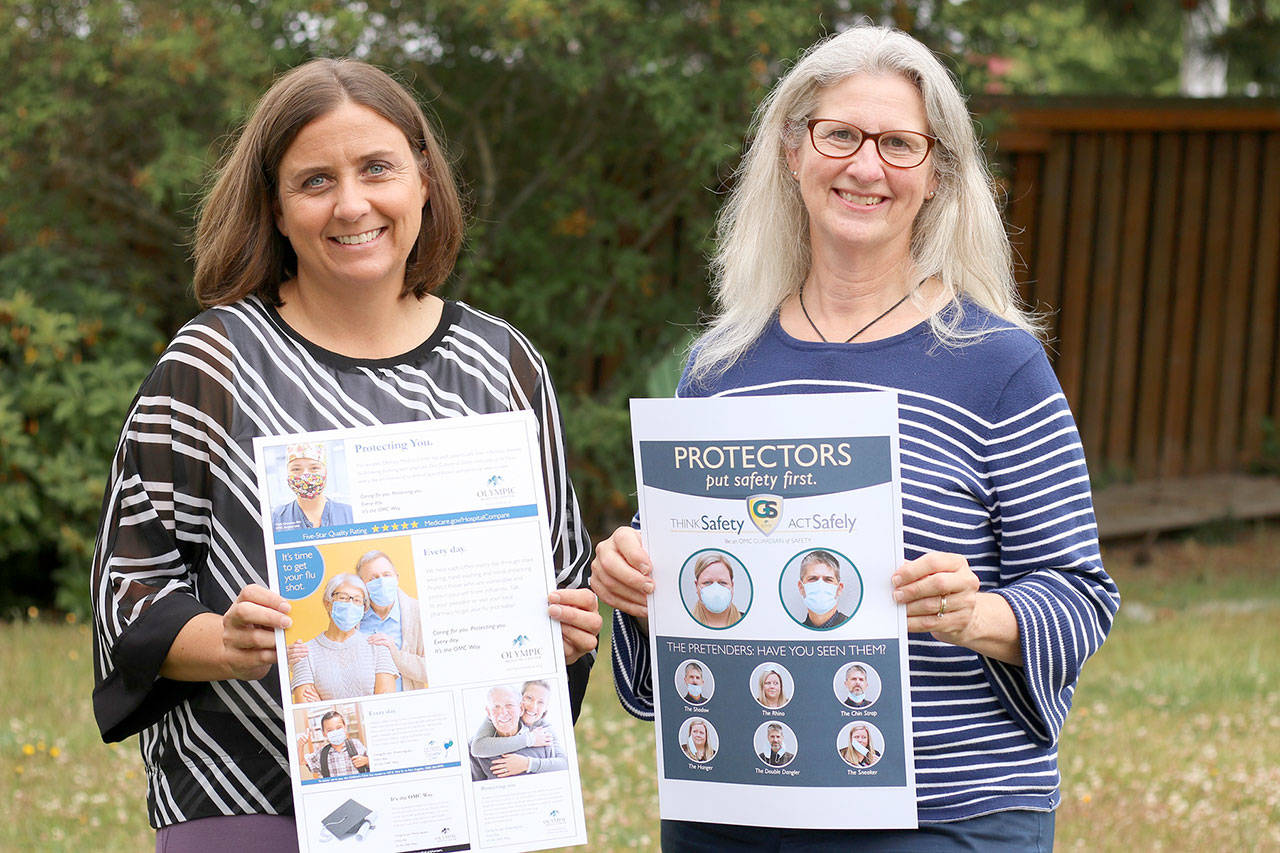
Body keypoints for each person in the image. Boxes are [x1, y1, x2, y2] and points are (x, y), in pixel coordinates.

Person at [590, 24, 1119, 851]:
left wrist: (973, 611)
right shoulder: (718, 365)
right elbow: (695, 599)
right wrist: (637, 583)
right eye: (839, 134)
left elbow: (1080, 598)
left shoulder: (999, 364)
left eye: (900, 144)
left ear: (938, 175)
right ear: (792, 151)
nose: (866, 167)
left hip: (945, 816)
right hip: (736, 805)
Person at [90, 58, 599, 850]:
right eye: (315, 181)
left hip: (461, 800)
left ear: (424, 181)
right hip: (248, 799)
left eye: (377, 169)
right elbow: (129, 590)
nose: (352, 203)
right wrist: (224, 643)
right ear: (278, 209)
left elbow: (562, 578)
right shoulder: (214, 362)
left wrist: (565, 625)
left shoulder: (503, 366)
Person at [288, 574, 398, 702]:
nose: (350, 604)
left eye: (357, 600)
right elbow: (308, 713)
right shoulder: (304, 653)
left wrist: (325, 706)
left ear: (363, 609)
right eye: (343, 598)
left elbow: (386, 706)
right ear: (328, 603)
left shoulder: (378, 647)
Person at [469, 680, 567, 777]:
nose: (533, 706)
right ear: (521, 700)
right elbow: (477, 747)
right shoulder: (498, 716)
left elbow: (564, 764)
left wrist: (527, 764)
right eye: (529, 698)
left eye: (541, 702)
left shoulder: (544, 731)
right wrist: (530, 739)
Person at [271, 442, 353, 532]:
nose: (305, 474)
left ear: (325, 472)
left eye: (314, 468)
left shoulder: (349, 514)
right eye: (296, 469)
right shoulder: (277, 517)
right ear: (287, 473)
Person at [297, 709, 370, 779]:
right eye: (330, 730)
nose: (335, 732)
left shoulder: (356, 744)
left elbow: (375, 762)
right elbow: (302, 761)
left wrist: (367, 761)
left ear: (345, 727)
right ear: (324, 733)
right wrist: (300, 745)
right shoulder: (322, 754)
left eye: (339, 728)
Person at [794, 550, 849, 629]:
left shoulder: (855, 628)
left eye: (828, 579)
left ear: (839, 589)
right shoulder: (794, 632)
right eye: (813, 578)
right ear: (801, 587)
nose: (820, 585)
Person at [688, 552, 743, 628]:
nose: (716, 591)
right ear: (696, 586)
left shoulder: (750, 621)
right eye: (707, 582)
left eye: (723, 582)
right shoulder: (684, 622)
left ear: (732, 586)